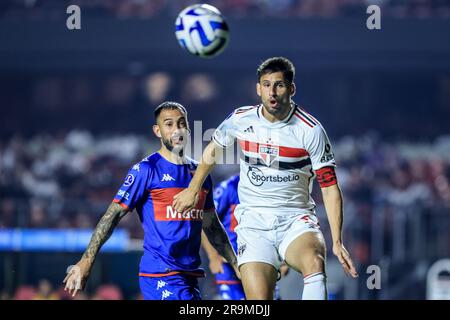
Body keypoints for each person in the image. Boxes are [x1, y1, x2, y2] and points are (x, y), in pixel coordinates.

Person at [173, 57, 358, 300]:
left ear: (291, 89)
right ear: (258, 88)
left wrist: (337, 240)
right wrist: (193, 188)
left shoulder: (311, 130)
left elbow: (330, 187)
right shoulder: (241, 119)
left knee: (314, 261)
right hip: (253, 223)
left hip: (295, 220)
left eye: (279, 85)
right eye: (266, 84)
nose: (272, 92)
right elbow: (212, 151)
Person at [63, 101, 239, 300]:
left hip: (189, 277)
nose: (177, 130)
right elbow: (112, 216)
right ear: (157, 131)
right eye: (169, 124)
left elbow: (212, 225)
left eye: (181, 123)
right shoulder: (146, 170)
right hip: (160, 274)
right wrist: (87, 261)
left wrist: (235, 263)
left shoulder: (200, 175)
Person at [201, 174, 288, 300]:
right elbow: (205, 220)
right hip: (229, 263)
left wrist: (284, 259)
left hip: (261, 259)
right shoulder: (229, 187)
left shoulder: (269, 187)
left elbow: (281, 223)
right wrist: (213, 256)